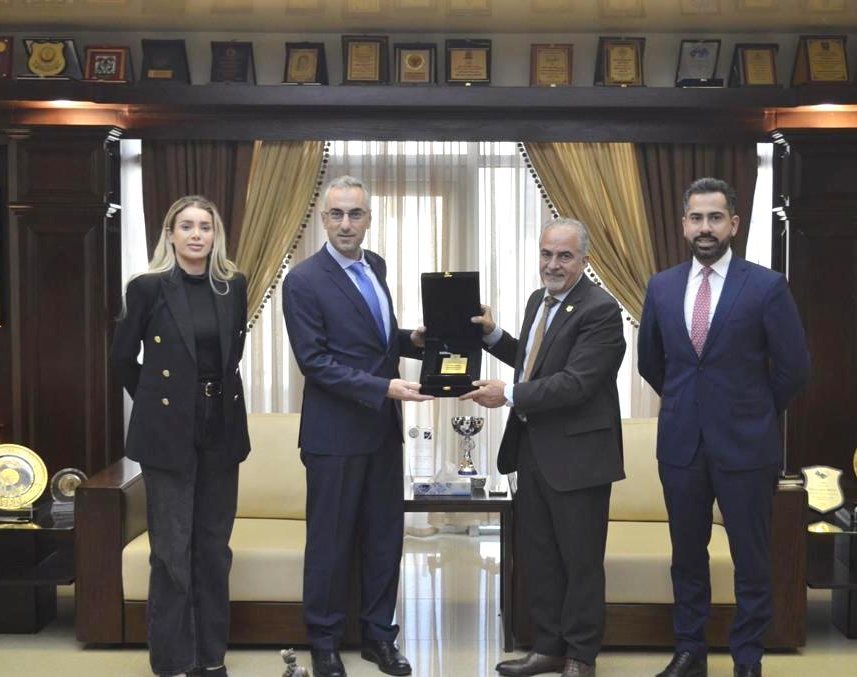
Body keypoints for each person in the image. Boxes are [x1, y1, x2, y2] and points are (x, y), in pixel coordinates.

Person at [637, 178, 810, 677]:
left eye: (715, 218)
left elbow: (794, 369)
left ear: (734, 224)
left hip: (747, 447)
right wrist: (689, 404)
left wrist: (753, 411)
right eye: (697, 218)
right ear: (683, 225)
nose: (705, 227)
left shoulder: (766, 286)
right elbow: (653, 363)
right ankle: (689, 652)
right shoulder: (661, 286)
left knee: (751, 559)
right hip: (681, 446)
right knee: (687, 557)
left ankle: (747, 659)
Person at [461, 217, 626, 677]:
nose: (553, 264)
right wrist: (492, 334)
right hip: (533, 452)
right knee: (541, 558)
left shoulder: (601, 310)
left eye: (564, 256)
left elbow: (576, 382)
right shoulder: (540, 300)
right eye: (546, 254)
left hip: (579, 460)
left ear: (585, 260)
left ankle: (581, 656)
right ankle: (549, 647)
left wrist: (508, 394)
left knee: (580, 562)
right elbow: (533, 361)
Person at [281, 175, 430, 677]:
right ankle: (323, 643)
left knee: (384, 539)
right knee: (330, 543)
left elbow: (375, 343)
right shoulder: (303, 280)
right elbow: (315, 362)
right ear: (324, 219)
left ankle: (379, 638)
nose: (347, 223)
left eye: (356, 214)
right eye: (337, 214)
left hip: (382, 431)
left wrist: (413, 340)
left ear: (369, 218)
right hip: (334, 436)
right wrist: (385, 387)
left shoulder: (375, 266)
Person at [111, 195, 250, 677]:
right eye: (186, 226)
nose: (196, 235)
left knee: (213, 549)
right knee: (171, 550)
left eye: (205, 227)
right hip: (167, 431)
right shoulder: (147, 287)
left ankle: (210, 659)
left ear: (216, 235)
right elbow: (122, 358)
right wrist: (156, 402)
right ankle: (173, 662)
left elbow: (231, 358)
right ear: (170, 234)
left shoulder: (233, 285)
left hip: (220, 427)